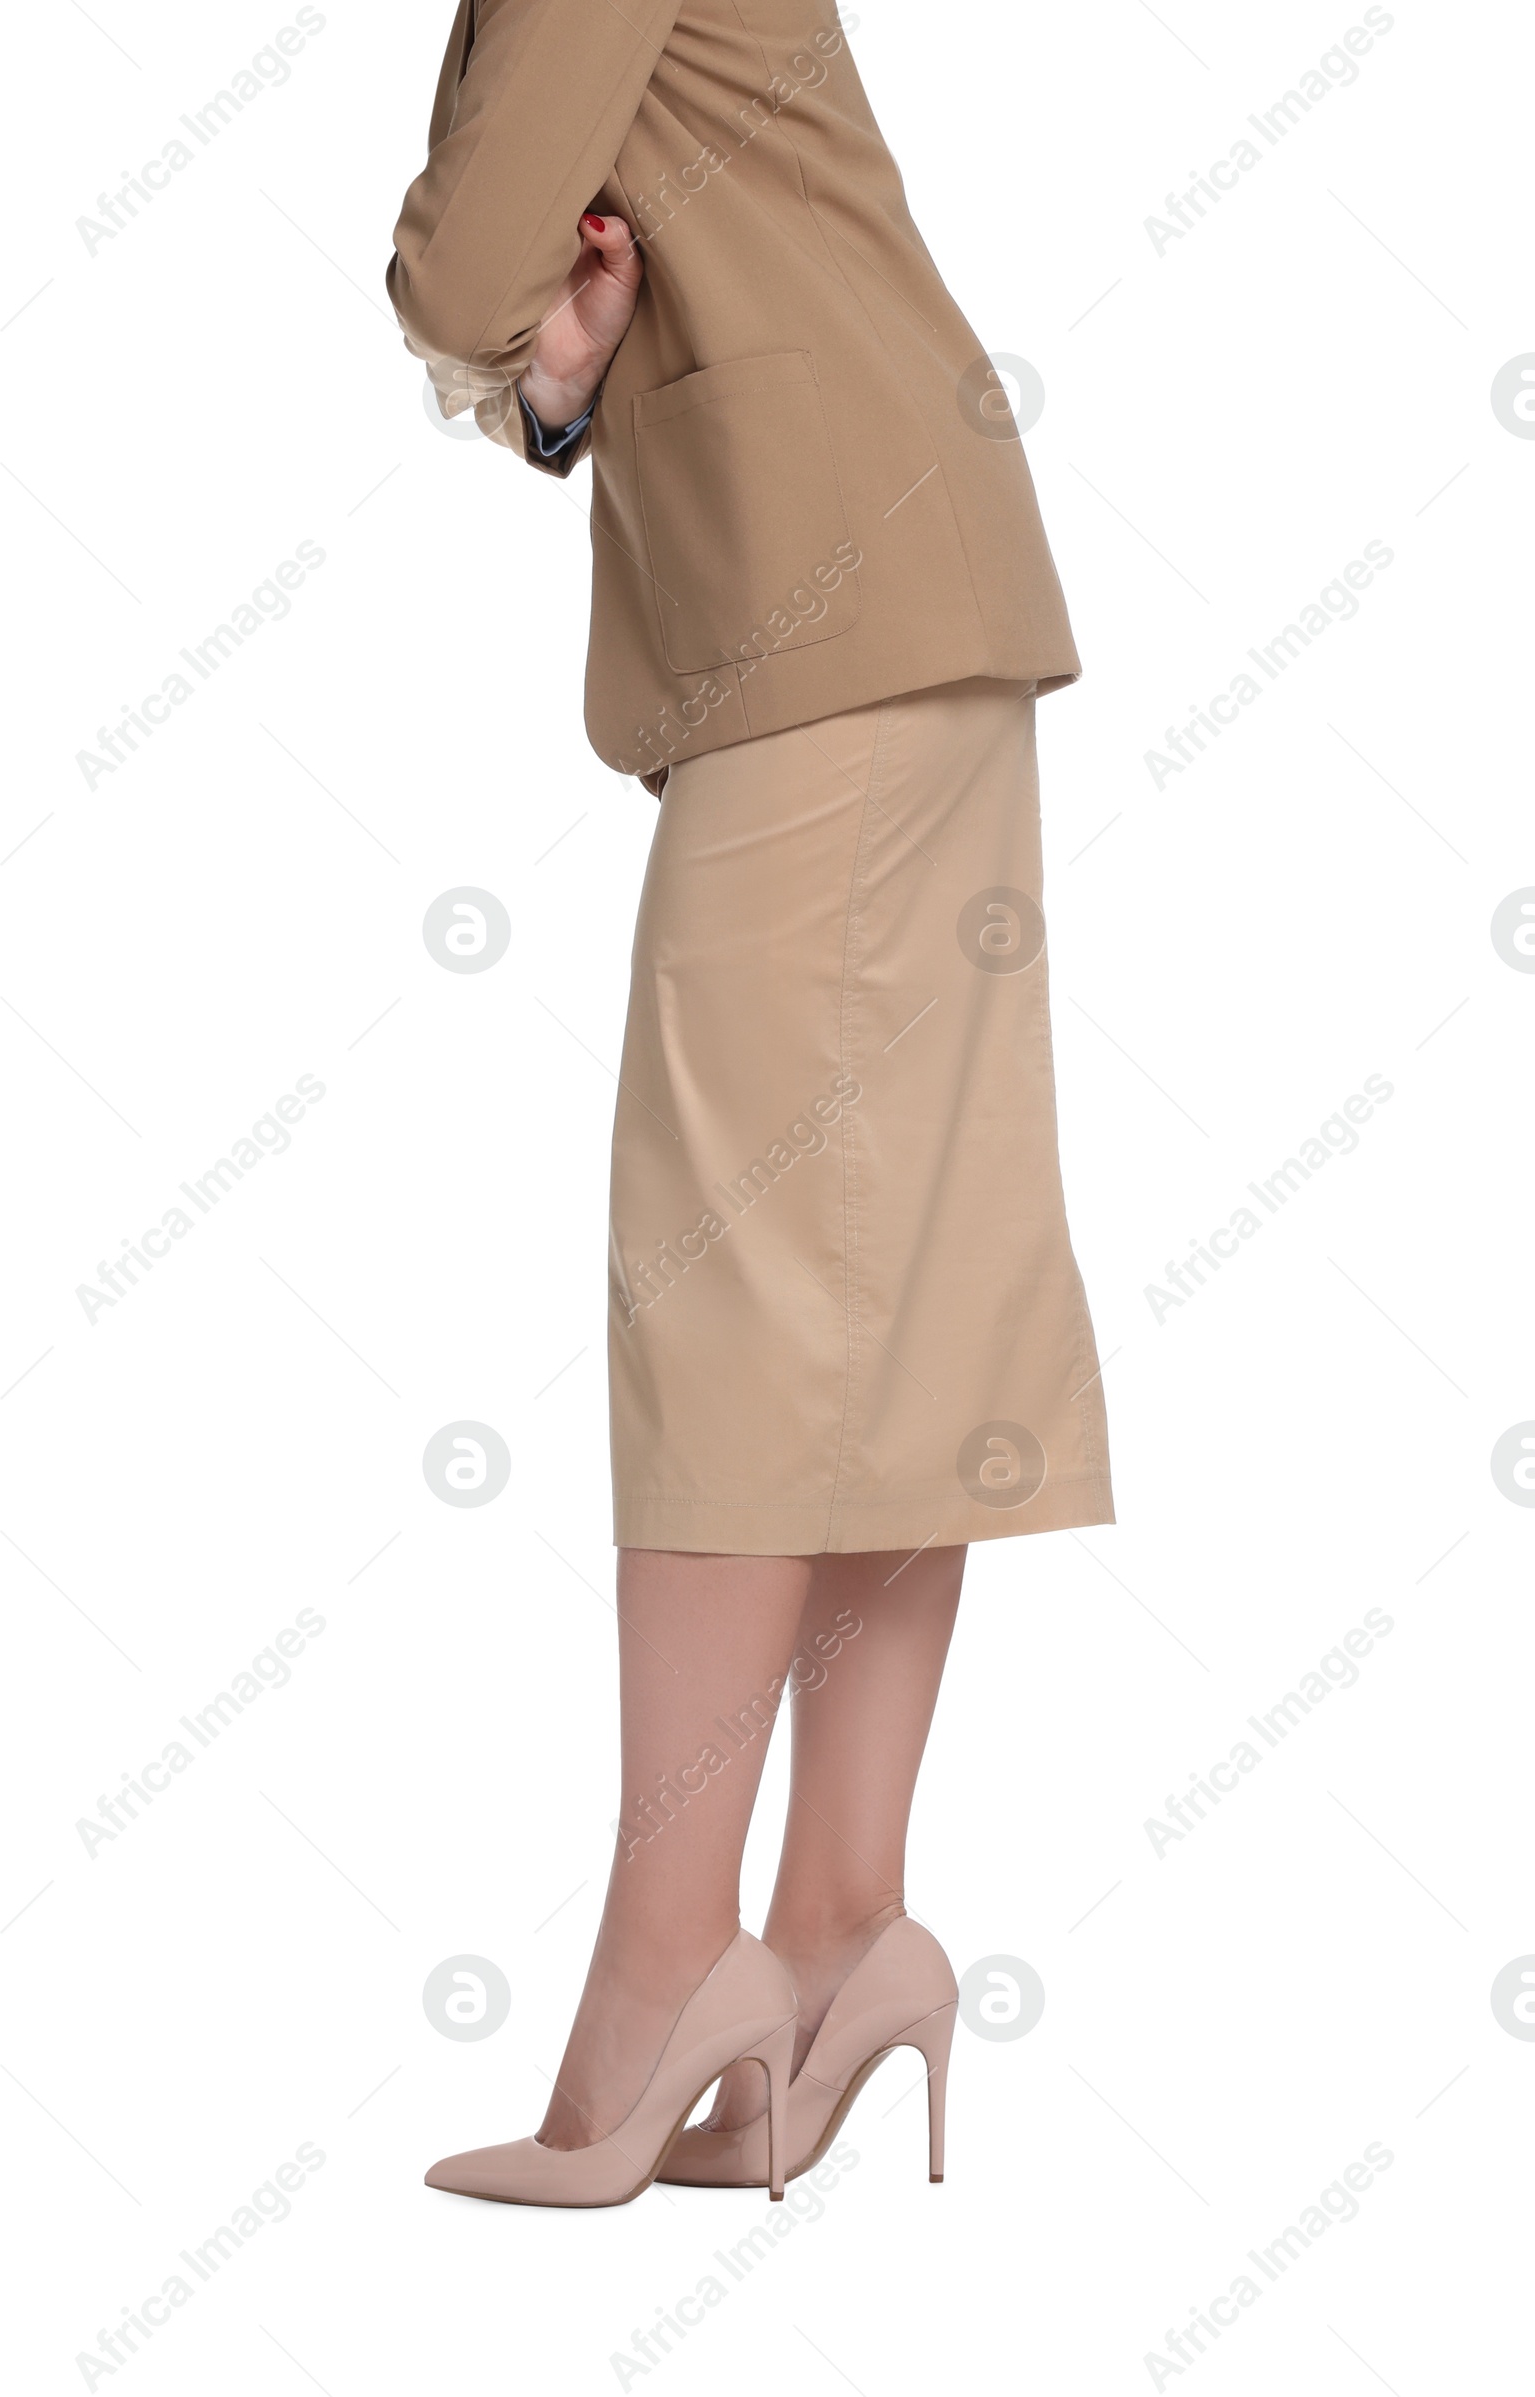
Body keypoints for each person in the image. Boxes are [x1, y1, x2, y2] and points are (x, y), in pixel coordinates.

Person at [386, 0, 1113, 2208]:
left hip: (829, 621)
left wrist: (493, 315)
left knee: (726, 1276)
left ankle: (662, 1972)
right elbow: (576, 303)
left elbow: (467, 256)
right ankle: (837, 1925)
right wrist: (558, 382)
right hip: (909, 585)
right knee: (878, 1283)